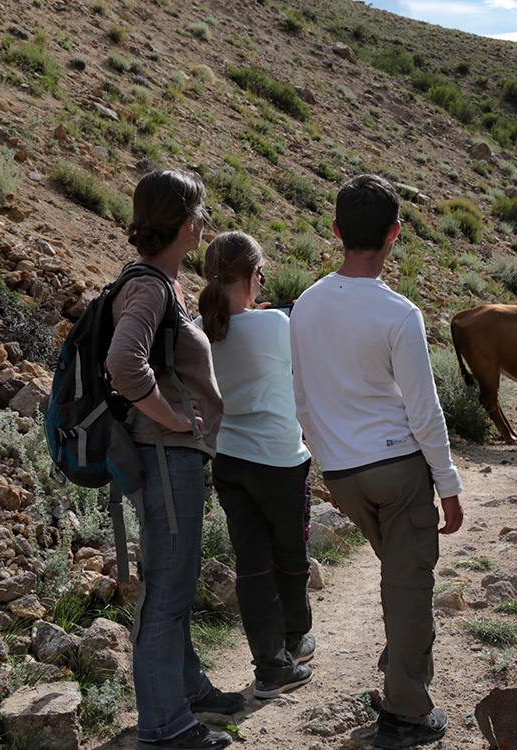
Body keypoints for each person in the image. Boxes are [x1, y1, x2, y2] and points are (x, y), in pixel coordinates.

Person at [289, 174, 464, 750]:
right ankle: (407, 711)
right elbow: (425, 411)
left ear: (337, 230)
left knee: (398, 577)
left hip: (343, 474)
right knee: (409, 588)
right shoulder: (400, 314)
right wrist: (449, 484)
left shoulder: (306, 305)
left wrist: (328, 465)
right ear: (394, 234)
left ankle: (399, 666)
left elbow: (303, 399)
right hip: (399, 470)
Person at [107, 170, 242, 750]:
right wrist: (171, 418)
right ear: (189, 223)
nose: (205, 225)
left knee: (175, 580)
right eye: (202, 216)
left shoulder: (160, 282)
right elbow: (123, 363)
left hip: (169, 457)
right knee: (167, 587)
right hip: (166, 456)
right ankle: (163, 727)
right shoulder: (150, 287)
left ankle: (187, 690)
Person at [195, 231, 316, 699]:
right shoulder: (274, 327)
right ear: (250, 277)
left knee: (251, 564)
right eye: (260, 275)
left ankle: (270, 668)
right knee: (289, 556)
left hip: (228, 460)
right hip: (280, 460)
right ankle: (295, 638)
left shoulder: (199, 328)